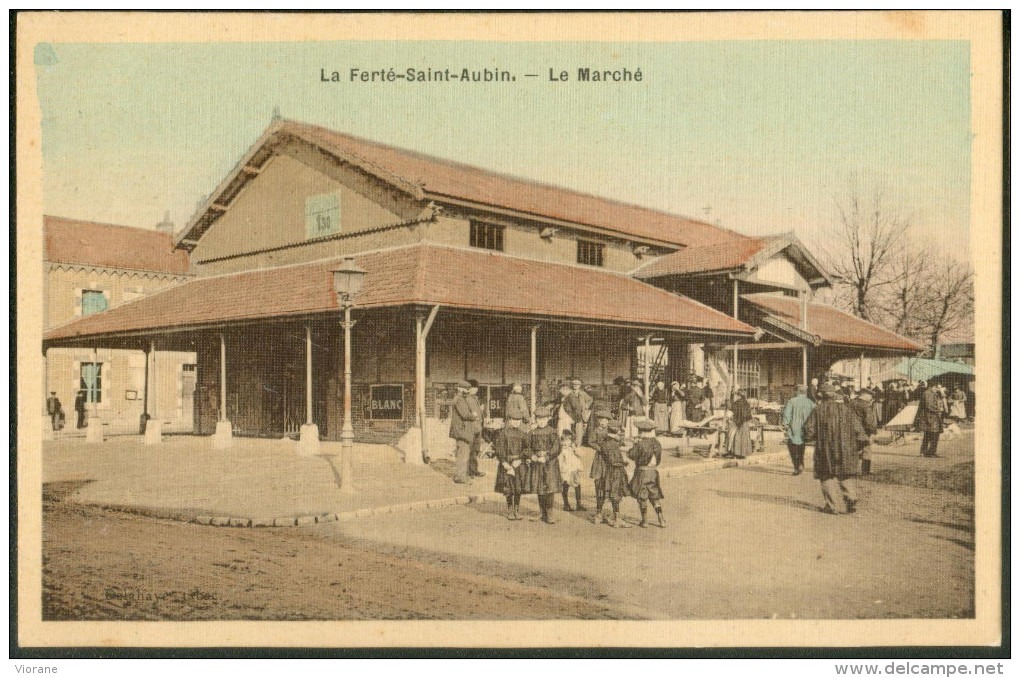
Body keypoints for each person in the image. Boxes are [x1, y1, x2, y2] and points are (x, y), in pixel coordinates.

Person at [803, 383, 868, 514]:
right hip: (846, 448)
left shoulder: (818, 410)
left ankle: (832, 506)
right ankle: (851, 497)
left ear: (821, 395)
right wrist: (859, 447)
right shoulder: (847, 410)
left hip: (825, 449)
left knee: (825, 475)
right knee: (844, 473)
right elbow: (859, 431)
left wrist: (809, 438)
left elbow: (808, 430)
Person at [525, 406, 562, 524]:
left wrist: (546, 457)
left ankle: (550, 513)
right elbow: (526, 448)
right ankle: (542, 512)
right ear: (535, 419)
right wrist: (533, 456)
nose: (541, 421)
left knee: (549, 488)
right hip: (537, 464)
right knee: (539, 487)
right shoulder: (532, 433)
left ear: (548, 419)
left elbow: (557, 447)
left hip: (550, 464)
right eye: (539, 419)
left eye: (544, 419)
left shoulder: (552, 432)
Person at [627, 419, 666, 528]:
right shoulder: (657, 443)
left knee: (642, 497)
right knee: (655, 497)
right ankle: (661, 519)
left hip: (642, 472)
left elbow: (630, 455)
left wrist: (634, 445)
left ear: (642, 431)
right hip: (653, 472)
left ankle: (644, 521)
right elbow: (658, 459)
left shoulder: (640, 444)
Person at [595, 422, 634, 528]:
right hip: (615, 471)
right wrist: (624, 462)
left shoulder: (605, 442)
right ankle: (618, 519)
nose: (621, 432)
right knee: (615, 494)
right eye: (620, 430)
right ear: (616, 430)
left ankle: (598, 515)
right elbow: (614, 461)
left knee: (602, 492)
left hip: (605, 471)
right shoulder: (612, 444)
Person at [493, 411, 528, 520]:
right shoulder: (503, 433)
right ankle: (510, 510)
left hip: (518, 464)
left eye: (518, 420)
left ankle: (516, 510)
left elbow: (526, 449)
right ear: (509, 420)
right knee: (508, 488)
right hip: (507, 464)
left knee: (518, 488)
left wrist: (521, 459)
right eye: (514, 420)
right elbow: (499, 449)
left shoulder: (522, 434)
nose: (516, 422)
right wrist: (504, 463)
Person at [449, 380, 482, 484]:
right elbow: (465, 415)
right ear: (460, 389)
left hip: (463, 430)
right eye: (466, 389)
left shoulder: (461, 398)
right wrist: (474, 416)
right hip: (461, 430)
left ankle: (462, 475)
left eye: (468, 389)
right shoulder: (459, 400)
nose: (467, 391)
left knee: (464, 454)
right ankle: (460, 477)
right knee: (463, 455)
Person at [781, 385, 815, 475]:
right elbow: (814, 415)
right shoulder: (810, 402)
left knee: (792, 447)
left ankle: (797, 466)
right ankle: (801, 463)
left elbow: (787, 414)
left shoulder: (792, 401)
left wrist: (785, 424)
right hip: (805, 429)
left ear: (797, 392)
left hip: (794, 428)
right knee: (801, 447)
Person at [587, 409, 612, 519]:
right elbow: (591, 441)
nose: (603, 423)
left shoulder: (611, 430)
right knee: (599, 480)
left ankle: (609, 505)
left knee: (610, 479)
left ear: (608, 421)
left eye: (605, 421)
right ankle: (599, 509)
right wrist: (599, 448)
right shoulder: (596, 431)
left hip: (610, 458)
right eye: (601, 421)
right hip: (600, 457)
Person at [913, 381, 945, 458]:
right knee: (934, 434)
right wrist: (939, 410)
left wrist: (940, 391)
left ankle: (924, 452)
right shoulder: (928, 393)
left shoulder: (931, 393)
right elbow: (929, 405)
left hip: (930, 417)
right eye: (936, 387)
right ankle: (930, 452)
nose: (937, 389)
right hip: (930, 417)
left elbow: (942, 396)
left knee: (928, 434)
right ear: (932, 387)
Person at [850, 390, 879, 475]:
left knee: (853, 450)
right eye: (870, 396)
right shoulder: (865, 405)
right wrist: (873, 431)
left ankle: (850, 469)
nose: (871, 398)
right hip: (863, 431)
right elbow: (869, 421)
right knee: (866, 450)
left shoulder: (851, 403)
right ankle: (865, 471)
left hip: (850, 430)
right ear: (865, 395)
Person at [562, 378, 594, 447]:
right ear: (572, 385)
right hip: (571, 414)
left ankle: (578, 445)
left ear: (580, 385)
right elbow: (566, 404)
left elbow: (590, 399)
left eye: (577, 385)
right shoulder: (569, 393)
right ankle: (571, 443)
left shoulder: (582, 393)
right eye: (574, 384)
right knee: (571, 429)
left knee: (579, 430)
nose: (576, 386)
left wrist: (586, 406)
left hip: (580, 414)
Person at [558, 430, 584, 511]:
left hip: (574, 470)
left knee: (577, 485)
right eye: (563, 440)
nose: (565, 443)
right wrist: (561, 471)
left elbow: (581, 454)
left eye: (568, 440)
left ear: (571, 441)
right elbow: (559, 461)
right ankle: (566, 504)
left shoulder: (573, 449)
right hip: (565, 471)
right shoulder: (561, 451)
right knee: (565, 486)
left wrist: (575, 449)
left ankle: (578, 504)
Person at [465, 380, 486, 478]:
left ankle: (474, 470)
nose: (476, 389)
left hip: (478, 427)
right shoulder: (467, 399)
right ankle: (469, 471)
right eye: (474, 387)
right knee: (470, 450)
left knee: (475, 450)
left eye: (476, 387)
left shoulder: (475, 398)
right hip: (471, 427)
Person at [726, 388, 753, 459]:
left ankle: (737, 452)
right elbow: (748, 415)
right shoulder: (746, 403)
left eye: (737, 395)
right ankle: (743, 453)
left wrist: (728, 400)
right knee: (744, 438)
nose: (737, 396)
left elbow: (730, 407)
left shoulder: (737, 403)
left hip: (738, 422)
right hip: (744, 423)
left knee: (737, 437)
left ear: (739, 396)